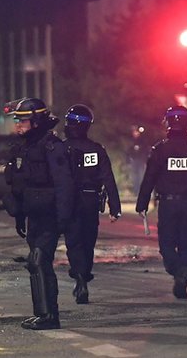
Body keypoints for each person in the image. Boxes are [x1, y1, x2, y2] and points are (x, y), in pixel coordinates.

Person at [2, 97, 74, 330]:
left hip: (50, 215)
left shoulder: (52, 146)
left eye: (23, 120)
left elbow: (64, 184)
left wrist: (63, 218)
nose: (18, 124)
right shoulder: (24, 147)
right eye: (17, 120)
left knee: (39, 260)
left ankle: (49, 317)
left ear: (36, 121)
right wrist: (19, 216)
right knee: (36, 263)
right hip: (34, 216)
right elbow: (19, 185)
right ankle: (42, 314)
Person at [136, 105, 187, 300]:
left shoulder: (160, 150)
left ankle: (178, 271)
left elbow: (149, 179)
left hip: (168, 204)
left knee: (166, 245)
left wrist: (142, 204)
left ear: (168, 124)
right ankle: (184, 272)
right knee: (186, 244)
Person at [61, 104, 121, 305]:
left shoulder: (61, 148)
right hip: (90, 201)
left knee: (74, 242)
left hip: (69, 203)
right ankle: (84, 274)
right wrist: (115, 207)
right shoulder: (97, 150)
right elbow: (108, 179)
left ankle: (79, 276)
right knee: (88, 242)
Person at [124, 125, 149, 196]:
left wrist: (145, 160)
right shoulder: (131, 141)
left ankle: (141, 192)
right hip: (134, 161)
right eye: (134, 132)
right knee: (135, 177)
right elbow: (128, 152)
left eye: (137, 132)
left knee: (141, 176)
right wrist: (128, 161)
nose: (135, 133)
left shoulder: (143, 140)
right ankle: (136, 191)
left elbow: (146, 151)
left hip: (141, 161)